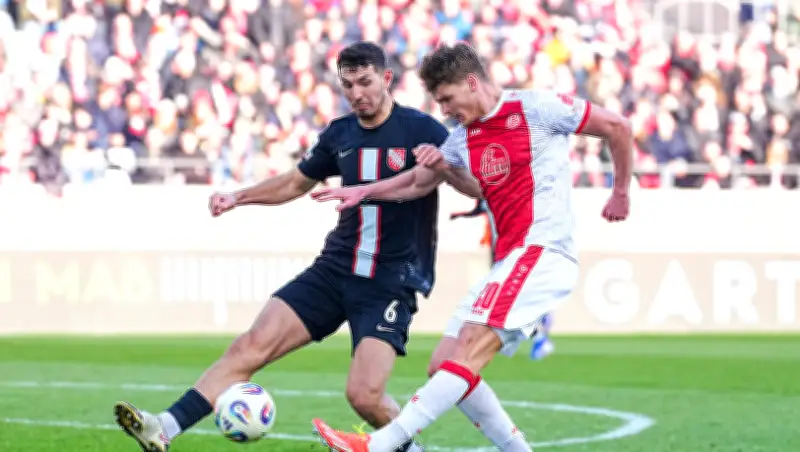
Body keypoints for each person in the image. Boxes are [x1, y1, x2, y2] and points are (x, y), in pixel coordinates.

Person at [111, 41, 456, 452]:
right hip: (334, 269)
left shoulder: (422, 131)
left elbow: (458, 174)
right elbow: (295, 182)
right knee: (249, 346)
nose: (356, 93)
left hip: (389, 280)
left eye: (364, 82)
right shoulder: (339, 134)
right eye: (348, 85)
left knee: (365, 396)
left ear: (385, 79)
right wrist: (239, 196)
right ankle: (163, 427)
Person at [309, 42, 632, 452]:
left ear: (472, 83)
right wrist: (363, 191)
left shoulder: (536, 108)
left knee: (470, 352)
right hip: (511, 260)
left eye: (446, 99)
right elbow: (415, 182)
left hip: (543, 250)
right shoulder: (461, 140)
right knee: (444, 363)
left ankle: (380, 445)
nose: (444, 111)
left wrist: (620, 192)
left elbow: (617, 126)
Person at [451, 200, 555, 360]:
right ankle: (534, 330)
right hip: (497, 254)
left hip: (510, 253)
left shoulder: (511, 196)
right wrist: (462, 215)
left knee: (508, 295)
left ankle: (537, 329)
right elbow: (479, 207)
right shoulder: (487, 194)